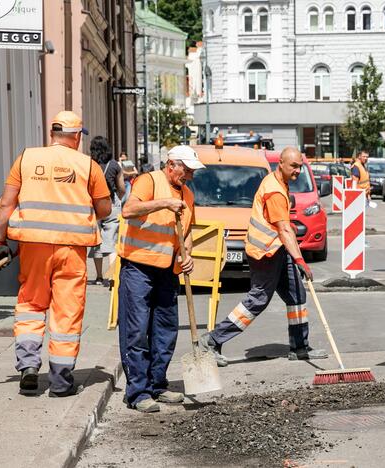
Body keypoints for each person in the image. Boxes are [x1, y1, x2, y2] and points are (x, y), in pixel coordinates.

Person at [0, 111, 112, 397]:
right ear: (77, 136)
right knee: (66, 311)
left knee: (31, 304)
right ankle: (60, 381)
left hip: (33, 246)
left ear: (52, 134)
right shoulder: (88, 166)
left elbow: (6, 205)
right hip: (72, 248)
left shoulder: (26, 158)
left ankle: (29, 366)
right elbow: (105, 209)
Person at [200, 147, 327, 366]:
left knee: (296, 295)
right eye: (293, 166)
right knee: (258, 299)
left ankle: (299, 346)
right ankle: (212, 340)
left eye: (299, 166)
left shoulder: (279, 182)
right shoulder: (275, 190)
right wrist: (300, 260)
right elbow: (284, 229)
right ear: (281, 164)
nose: (297, 171)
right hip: (265, 252)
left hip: (278, 249)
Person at [116, 145, 204, 413]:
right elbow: (128, 210)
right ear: (171, 164)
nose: (188, 175)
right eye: (185, 169)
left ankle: (157, 383)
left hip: (168, 270)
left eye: (191, 171)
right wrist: (164, 203)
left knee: (165, 331)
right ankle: (138, 392)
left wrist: (187, 255)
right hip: (138, 267)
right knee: (137, 330)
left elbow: (187, 231)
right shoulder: (148, 181)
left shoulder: (187, 195)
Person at [88, 136, 125, 286]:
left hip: (93, 205)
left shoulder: (89, 165)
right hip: (111, 204)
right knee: (111, 241)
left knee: (96, 241)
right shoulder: (115, 165)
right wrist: (117, 199)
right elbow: (122, 188)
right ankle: (112, 276)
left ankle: (98, 277)